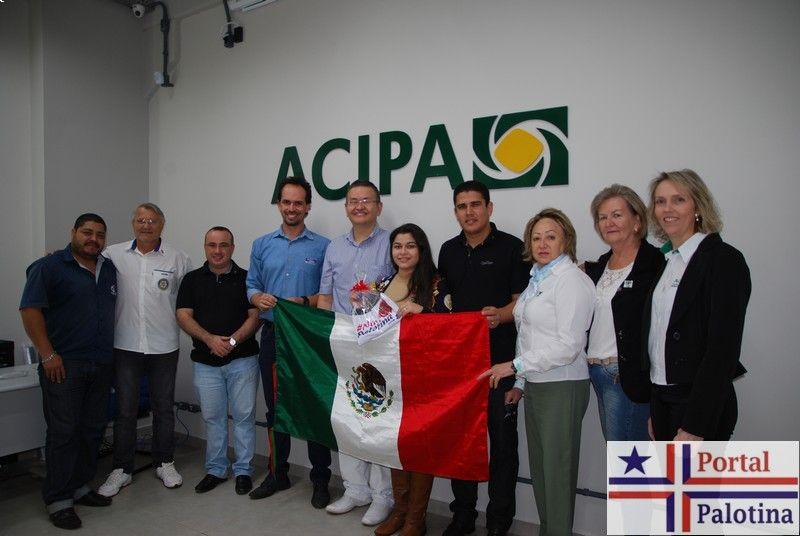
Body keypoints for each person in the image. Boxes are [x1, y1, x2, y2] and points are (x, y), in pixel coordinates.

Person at [481, 208, 595, 536]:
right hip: (537, 384)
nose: (542, 244)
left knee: (557, 474)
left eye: (551, 237)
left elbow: (568, 346)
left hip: (562, 385)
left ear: (566, 240)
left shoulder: (571, 280)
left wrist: (514, 366)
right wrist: (520, 382)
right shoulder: (537, 278)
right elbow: (527, 335)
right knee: (543, 473)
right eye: (536, 238)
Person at [437, 181, 530, 536]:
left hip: (501, 364)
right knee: (462, 442)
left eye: (476, 204)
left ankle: (498, 522)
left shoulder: (513, 248)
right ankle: (463, 515)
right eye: (462, 206)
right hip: (459, 366)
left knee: (503, 445)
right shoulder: (448, 251)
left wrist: (501, 315)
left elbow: (523, 304)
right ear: (455, 212)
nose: (469, 212)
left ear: (489, 208)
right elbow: (442, 305)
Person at [19, 213, 117, 530]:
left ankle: (79, 486)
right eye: (87, 232)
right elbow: (30, 310)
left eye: (99, 234)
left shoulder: (108, 269)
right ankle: (58, 499)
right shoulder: (49, 267)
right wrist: (47, 355)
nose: (93, 239)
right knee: (64, 432)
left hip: (101, 363)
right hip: (64, 364)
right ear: (73, 232)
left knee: (92, 430)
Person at [643, 169, 751, 441]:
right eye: (660, 201)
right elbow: (658, 339)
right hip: (663, 399)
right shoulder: (669, 263)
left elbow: (722, 350)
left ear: (698, 207)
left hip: (698, 406)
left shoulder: (724, 260)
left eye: (678, 200)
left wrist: (696, 424)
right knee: (668, 472)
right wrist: (656, 409)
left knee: (692, 474)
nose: (667, 208)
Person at [245, 177, 333, 507]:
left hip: (309, 340)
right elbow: (251, 284)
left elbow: (329, 294)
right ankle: (277, 474)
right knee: (276, 409)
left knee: (314, 408)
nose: (292, 208)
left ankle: (320, 480)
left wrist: (306, 301)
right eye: (286, 202)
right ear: (279, 205)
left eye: (298, 202)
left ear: (308, 206)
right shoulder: (261, 244)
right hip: (273, 336)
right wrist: (256, 297)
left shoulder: (324, 247)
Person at [99, 203, 192, 497]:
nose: (146, 225)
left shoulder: (179, 259)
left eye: (152, 221)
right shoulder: (112, 255)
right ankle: (121, 469)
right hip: (126, 345)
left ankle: (165, 462)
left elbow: (189, 300)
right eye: (141, 220)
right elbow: (84, 264)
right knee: (125, 410)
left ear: (162, 225)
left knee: (163, 408)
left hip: (164, 346)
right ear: (133, 224)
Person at [317, 180, 394, 526]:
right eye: (353, 201)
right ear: (346, 207)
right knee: (346, 417)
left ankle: (382, 496)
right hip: (343, 344)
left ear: (379, 206)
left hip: (380, 345)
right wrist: (321, 337)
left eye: (366, 200)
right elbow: (325, 296)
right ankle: (355, 489)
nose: (359, 206)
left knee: (378, 418)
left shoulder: (392, 244)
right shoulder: (334, 247)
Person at [373, 223, 449, 536]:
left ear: (421, 249)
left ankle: (416, 520)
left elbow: (451, 327)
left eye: (410, 245)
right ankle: (400, 512)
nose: (403, 252)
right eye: (397, 246)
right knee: (396, 445)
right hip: (389, 378)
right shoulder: (381, 284)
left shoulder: (436, 283)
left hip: (425, 379)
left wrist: (422, 311)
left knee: (420, 447)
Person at [176, 227, 262, 495]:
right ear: (205, 247)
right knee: (213, 418)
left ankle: (244, 470)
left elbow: (256, 315)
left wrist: (232, 341)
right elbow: (183, 315)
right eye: (212, 245)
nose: (217, 251)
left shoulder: (248, 279)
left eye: (223, 245)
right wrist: (210, 339)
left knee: (244, 417)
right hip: (205, 362)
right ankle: (216, 469)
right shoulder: (191, 280)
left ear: (232, 248)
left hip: (243, 360)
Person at [584, 185, 665, 440]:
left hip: (626, 376)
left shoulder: (655, 265)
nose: (609, 222)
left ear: (637, 220)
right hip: (597, 372)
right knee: (619, 453)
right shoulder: (599, 267)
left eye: (617, 215)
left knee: (629, 459)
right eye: (602, 217)